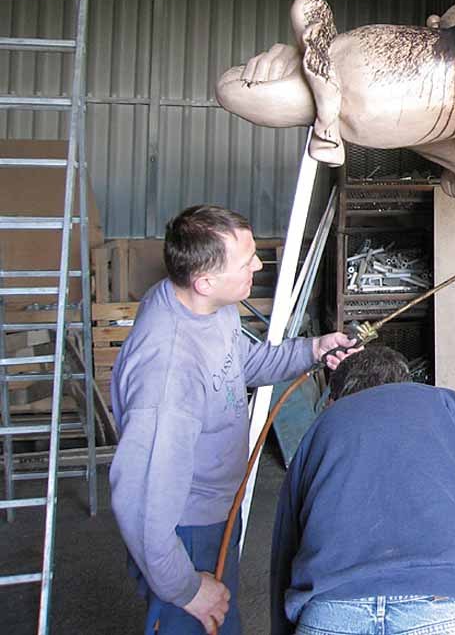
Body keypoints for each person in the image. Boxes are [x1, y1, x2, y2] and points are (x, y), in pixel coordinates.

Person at [110, 204, 361, 635]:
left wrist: (312, 350)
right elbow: (142, 506)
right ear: (205, 281)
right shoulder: (167, 375)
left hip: (216, 511)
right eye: (247, 262)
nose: (258, 266)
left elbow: (243, 363)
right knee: (200, 622)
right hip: (183, 533)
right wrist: (186, 588)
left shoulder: (209, 307)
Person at [270, 345, 455, 635]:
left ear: (333, 400)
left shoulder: (322, 426)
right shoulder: (448, 406)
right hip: (452, 605)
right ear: (406, 382)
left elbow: (287, 546)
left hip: (333, 610)